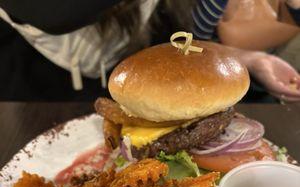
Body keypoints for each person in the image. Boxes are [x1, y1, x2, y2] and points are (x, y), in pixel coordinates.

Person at [0, 0, 299, 102]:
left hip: (142, 92)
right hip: (39, 98)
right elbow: (51, 12)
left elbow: (169, 41)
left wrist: (247, 60)